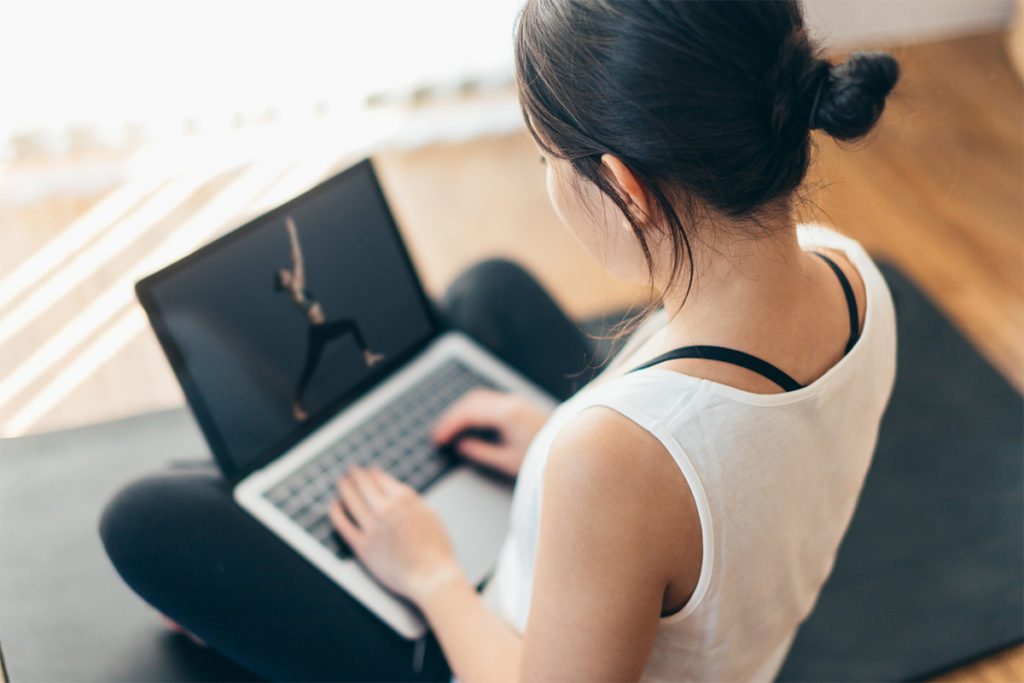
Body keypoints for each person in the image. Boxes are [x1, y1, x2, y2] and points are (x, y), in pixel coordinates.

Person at [100, 1, 900, 681]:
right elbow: (720, 461)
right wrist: (556, 451)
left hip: (489, 643)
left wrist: (430, 570)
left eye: (548, 155)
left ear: (627, 188)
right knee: (489, 287)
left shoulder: (612, 458)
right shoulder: (852, 271)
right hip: (684, 567)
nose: (548, 178)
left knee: (147, 516)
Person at [274, 216, 385, 421]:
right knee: (348, 326)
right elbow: (296, 260)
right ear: (283, 283)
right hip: (318, 331)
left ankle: (367, 355)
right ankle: (297, 405)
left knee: (310, 367)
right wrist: (292, 234)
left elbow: (299, 260)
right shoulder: (295, 292)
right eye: (285, 274)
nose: (289, 273)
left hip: (320, 330)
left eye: (287, 272)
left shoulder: (298, 285)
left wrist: (293, 234)